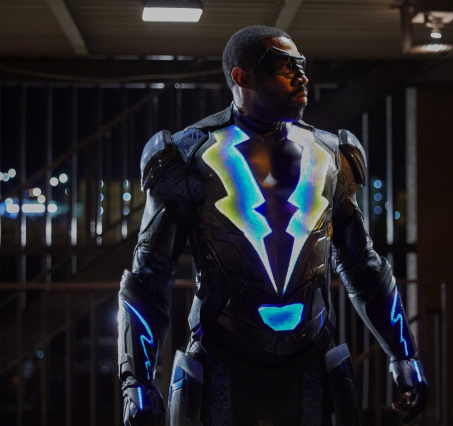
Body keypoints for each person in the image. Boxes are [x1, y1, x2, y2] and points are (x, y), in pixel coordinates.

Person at [117, 25, 428, 426]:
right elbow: (149, 277)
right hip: (220, 361)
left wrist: (404, 353)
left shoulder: (332, 154)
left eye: (302, 66)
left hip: (312, 360)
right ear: (242, 76)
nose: (302, 77)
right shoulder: (185, 156)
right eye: (285, 67)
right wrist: (137, 380)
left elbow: (361, 265)